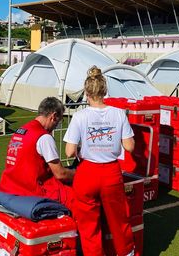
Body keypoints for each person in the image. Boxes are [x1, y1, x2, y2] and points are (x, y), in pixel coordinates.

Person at [64, 66, 135, 256]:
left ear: (87, 92)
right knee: (119, 221)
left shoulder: (79, 116)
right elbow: (130, 147)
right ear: (105, 91)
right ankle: (127, 253)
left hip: (87, 173)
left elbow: (69, 151)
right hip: (111, 172)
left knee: (89, 226)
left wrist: (82, 147)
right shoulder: (119, 114)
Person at [0, 97, 75, 210]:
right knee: (81, 200)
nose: (57, 125)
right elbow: (60, 174)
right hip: (32, 189)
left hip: (9, 184)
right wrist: (79, 175)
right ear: (53, 116)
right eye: (59, 121)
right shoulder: (44, 137)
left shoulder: (20, 131)